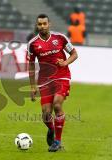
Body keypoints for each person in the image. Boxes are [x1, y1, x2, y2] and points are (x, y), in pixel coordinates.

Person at [28, 14, 78, 152]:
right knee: (45, 114)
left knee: (57, 104)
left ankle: (57, 142)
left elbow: (74, 54)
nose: (42, 26)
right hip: (44, 81)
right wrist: (32, 86)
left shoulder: (60, 38)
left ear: (49, 24)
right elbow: (31, 65)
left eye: (44, 23)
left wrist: (65, 62)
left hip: (62, 76)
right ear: (37, 25)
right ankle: (52, 129)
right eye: (40, 24)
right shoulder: (33, 44)